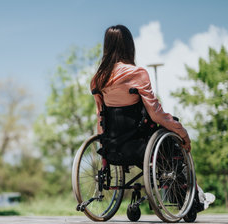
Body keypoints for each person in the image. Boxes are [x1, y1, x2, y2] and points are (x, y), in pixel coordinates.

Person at [90, 24, 214, 210]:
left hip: (114, 147)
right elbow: (156, 115)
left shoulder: (98, 79)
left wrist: (104, 151)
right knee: (173, 143)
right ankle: (191, 200)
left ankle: (191, 197)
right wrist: (182, 133)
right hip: (142, 144)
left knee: (164, 145)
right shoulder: (136, 74)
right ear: (129, 46)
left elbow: (101, 117)